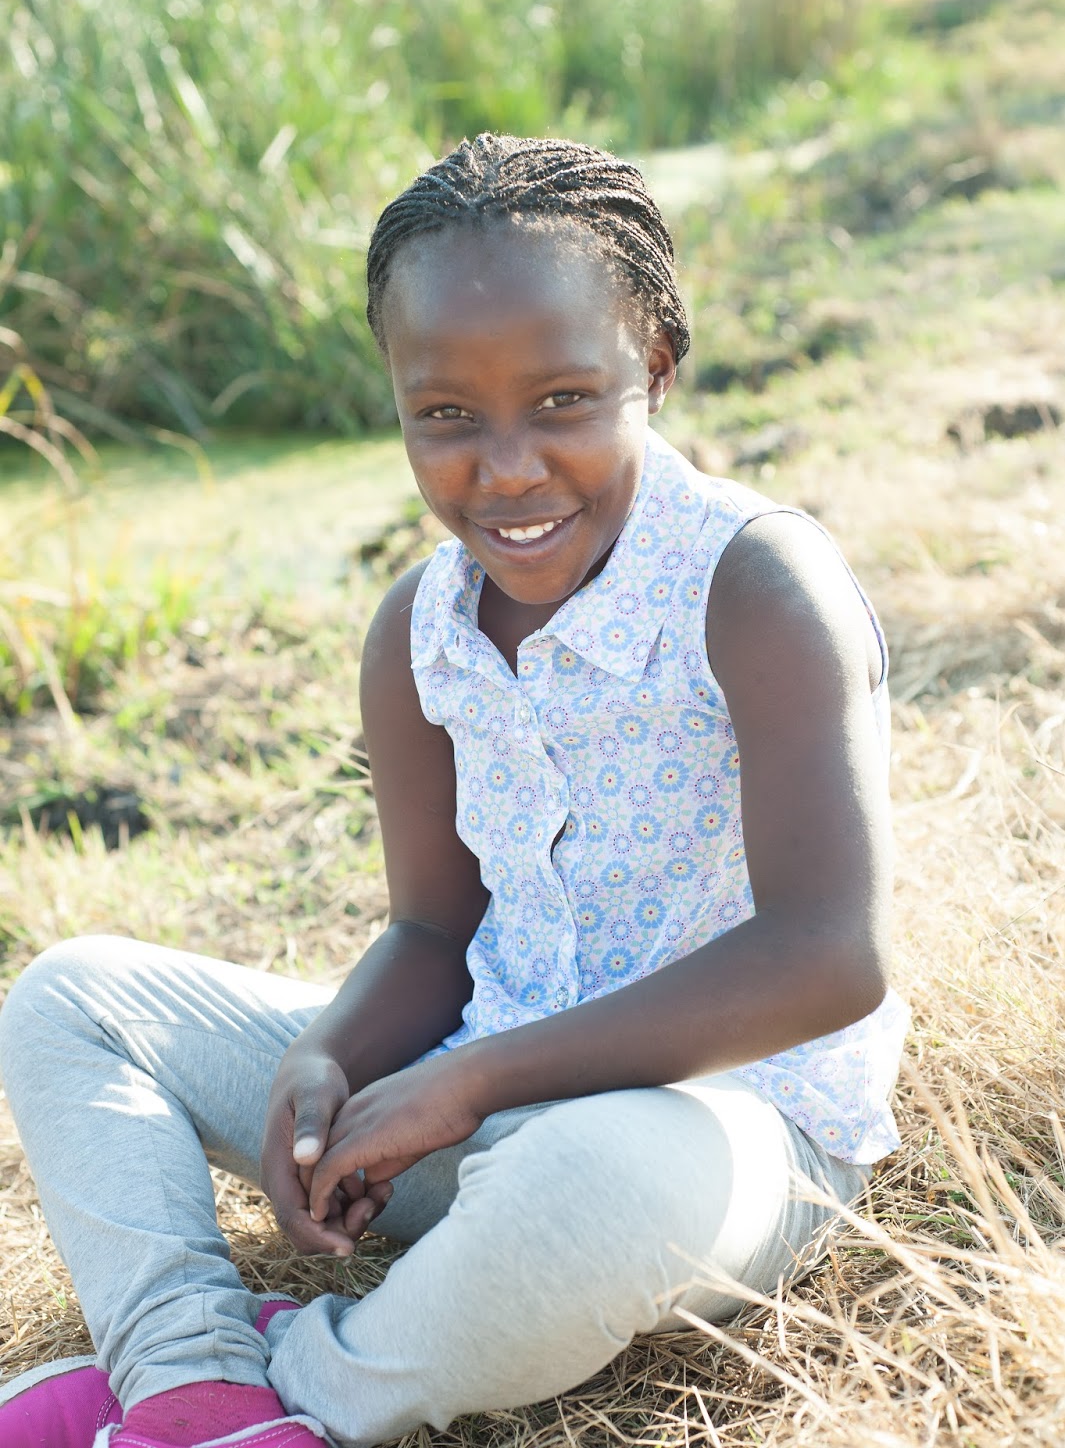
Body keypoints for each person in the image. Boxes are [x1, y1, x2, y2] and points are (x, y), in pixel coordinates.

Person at [0, 135, 909, 1448]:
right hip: (473, 1105)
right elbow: (434, 930)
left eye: (564, 400)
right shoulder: (419, 630)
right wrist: (332, 1055)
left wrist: (473, 1082)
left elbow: (829, 958)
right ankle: (186, 1367)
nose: (508, 467)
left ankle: (301, 1389)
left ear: (654, 365)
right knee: (74, 996)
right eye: (446, 416)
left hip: (714, 1139)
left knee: (587, 1184)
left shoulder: (758, 587)